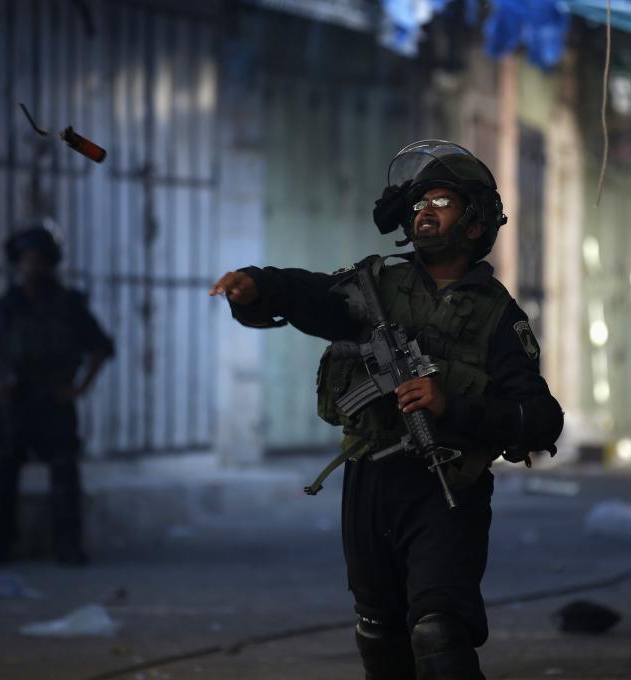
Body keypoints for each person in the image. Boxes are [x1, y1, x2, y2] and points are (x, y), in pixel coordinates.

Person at [210, 140, 563, 679]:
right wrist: (260, 286)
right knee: (379, 633)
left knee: (438, 632)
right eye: (421, 202)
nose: (425, 212)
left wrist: (451, 405)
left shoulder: (498, 317)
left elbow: (540, 420)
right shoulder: (376, 287)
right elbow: (316, 298)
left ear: (473, 224)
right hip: (370, 480)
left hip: (446, 487)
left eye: (441, 202)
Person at [0, 223, 114, 566]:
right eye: (26, 260)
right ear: (17, 263)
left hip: (54, 400)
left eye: (39, 260)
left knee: (65, 477)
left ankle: (68, 547)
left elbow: (99, 348)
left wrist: (79, 388)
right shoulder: (5, 307)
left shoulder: (68, 305)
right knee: (1, 475)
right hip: (15, 401)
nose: (32, 267)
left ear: (50, 263)